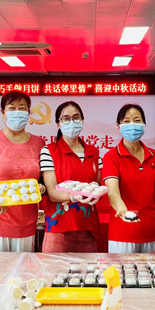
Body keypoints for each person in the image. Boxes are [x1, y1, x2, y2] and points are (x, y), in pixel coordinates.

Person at [0, 91, 45, 252]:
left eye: (22, 108)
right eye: (11, 108)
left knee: (23, 267)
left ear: (29, 112)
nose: (17, 112)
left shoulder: (39, 143)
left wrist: (41, 188)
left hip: (26, 224)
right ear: (3, 113)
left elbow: (41, 182)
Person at [40, 101, 101, 252]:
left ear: (82, 120)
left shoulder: (94, 152)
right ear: (58, 124)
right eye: (66, 118)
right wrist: (74, 196)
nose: (71, 122)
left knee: (89, 268)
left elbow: (97, 186)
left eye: (76, 117)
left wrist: (96, 192)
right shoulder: (49, 151)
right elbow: (52, 193)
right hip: (59, 228)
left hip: (87, 227)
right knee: (53, 266)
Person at [103, 104, 155, 253]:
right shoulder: (111, 157)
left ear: (144, 125)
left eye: (137, 120)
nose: (132, 125)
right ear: (118, 126)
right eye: (126, 121)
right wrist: (123, 211)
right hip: (123, 233)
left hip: (152, 232)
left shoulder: (154, 156)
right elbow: (112, 192)